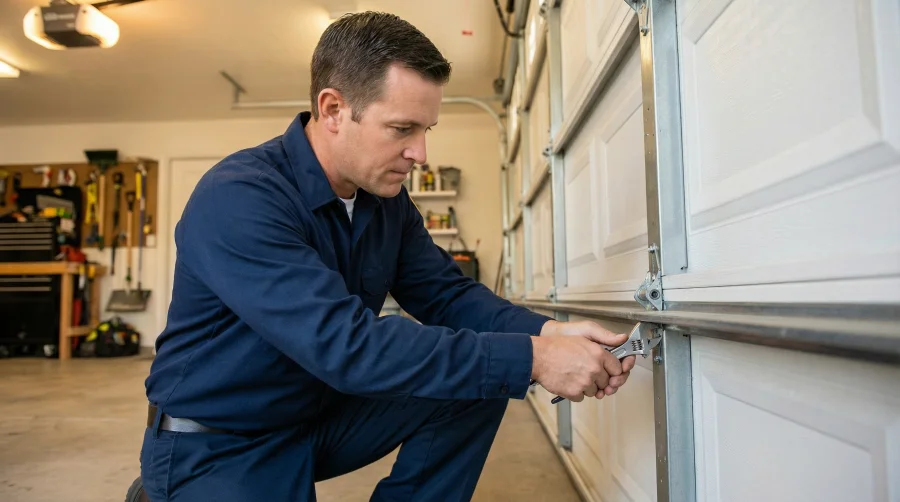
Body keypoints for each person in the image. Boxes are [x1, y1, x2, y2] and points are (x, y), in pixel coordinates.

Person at [141, 11, 636, 502]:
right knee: (499, 362)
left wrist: (546, 332)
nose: (420, 153)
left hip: (310, 421)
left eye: (427, 129)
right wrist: (532, 357)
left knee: (481, 380)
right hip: (217, 444)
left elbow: (447, 293)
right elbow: (346, 346)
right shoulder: (240, 198)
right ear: (333, 110)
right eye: (402, 128)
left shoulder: (384, 202)